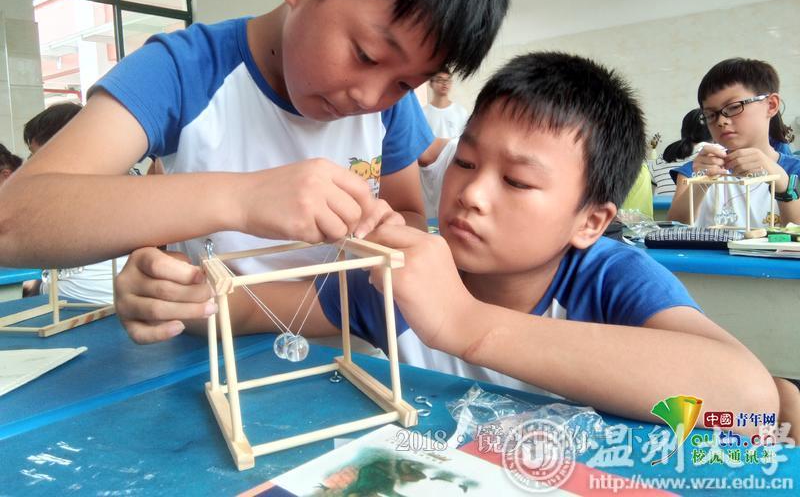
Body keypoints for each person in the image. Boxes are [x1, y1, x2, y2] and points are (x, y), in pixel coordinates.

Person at [114, 52, 778, 434]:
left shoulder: (609, 280)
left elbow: (747, 397)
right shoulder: (403, 274)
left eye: (517, 181)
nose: (472, 193)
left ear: (590, 222)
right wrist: (179, 294)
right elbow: (256, 307)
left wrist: (464, 323)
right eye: (465, 161)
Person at [0, 0, 510, 284]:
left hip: (347, 347)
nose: (370, 98)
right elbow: (15, 219)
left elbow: (410, 214)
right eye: (366, 55)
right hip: (212, 354)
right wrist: (240, 198)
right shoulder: (183, 70)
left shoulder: (388, 108)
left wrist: (386, 233)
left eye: (405, 83)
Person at [667, 58, 800, 228]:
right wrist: (700, 182)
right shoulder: (697, 169)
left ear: (771, 105)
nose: (721, 121)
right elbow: (674, 227)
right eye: (710, 115)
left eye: (734, 107)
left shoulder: (794, 171)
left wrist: (784, 187)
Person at [21, 104, 127, 304]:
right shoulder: (116, 182)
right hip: (72, 305)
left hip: (95, 308)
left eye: (38, 157)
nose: (32, 165)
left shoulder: (94, 191)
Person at [647, 109, 711, 196]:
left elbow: (643, 169)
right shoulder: (718, 158)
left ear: (683, 130)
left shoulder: (663, 158)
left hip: (662, 205)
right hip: (693, 204)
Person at [423, 69, 469, 138]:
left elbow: (465, 139)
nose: (445, 83)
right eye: (440, 80)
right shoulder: (423, 113)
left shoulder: (461, 111)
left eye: (448, 80)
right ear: (431, 84)